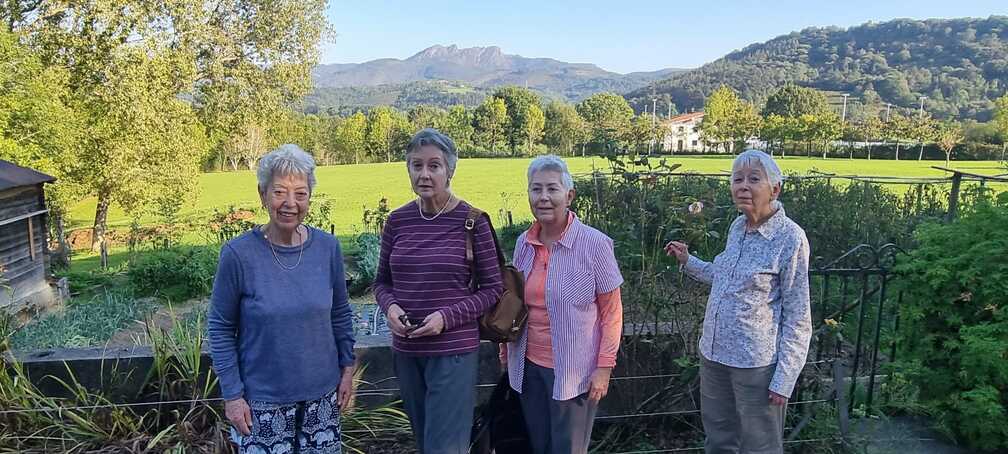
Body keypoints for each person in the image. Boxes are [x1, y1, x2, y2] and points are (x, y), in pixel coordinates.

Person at [208, 144, 356, 454]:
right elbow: (220, 328)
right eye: (279, 193)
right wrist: (233, 396)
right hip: (261, 404)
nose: (290, 203)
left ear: (309, 198)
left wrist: (346, 371)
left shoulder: (327, 248)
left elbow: (340, 314)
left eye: (300, 194)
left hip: (323, 399)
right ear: (262, 194)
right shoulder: (238, 255)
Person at [665, 149, 811, 454]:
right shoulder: (737, 227)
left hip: (755, 365)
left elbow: (798, 316)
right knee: (718, 441)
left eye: (754, 179)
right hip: (714, 356)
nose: (743, 186)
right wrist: (688, 260)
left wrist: (784, 378)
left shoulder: (790, 239)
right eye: (737, 179)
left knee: (760, 447)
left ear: (775, 189)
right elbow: (722, 274)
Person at [374, 128, 503, 454]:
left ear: (450, 170)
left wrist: (446, 317)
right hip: (407, 351)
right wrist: (390, 309)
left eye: (434, 165)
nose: (425, 174)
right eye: (416, 166)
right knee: (425, 440)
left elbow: (493, 289)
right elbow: (381, 282)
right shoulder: (398, 221)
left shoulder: (472, 222)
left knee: (445, 447)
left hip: (453, 351)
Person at [501, 154, 624, 454]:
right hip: (527, 368)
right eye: (536, 189)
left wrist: (604, 368)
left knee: (568, 449)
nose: (543, 197)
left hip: (575, 372)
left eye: (552, 189)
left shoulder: (595, 244)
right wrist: (505, 350)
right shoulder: (523, 243)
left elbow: (611, 313)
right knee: (538, 446)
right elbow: (514, 303)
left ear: (569, 195)